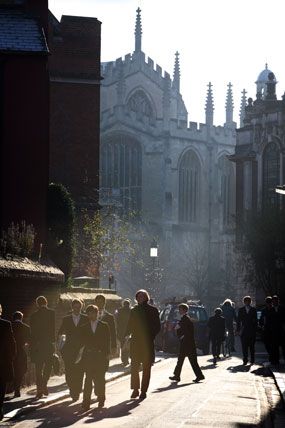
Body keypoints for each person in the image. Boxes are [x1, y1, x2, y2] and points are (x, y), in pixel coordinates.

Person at [125, 289, 160, 400]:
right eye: (138, 297)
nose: (140, 298)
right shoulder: (134, 310)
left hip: (147, 343)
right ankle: (135, 389)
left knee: (146, 368)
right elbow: (129, 325)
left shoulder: (153, 310)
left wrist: (150, 336)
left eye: (142, 296)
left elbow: (157, 326)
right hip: (135, 342)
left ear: (146, 298)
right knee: (134, 367)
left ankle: (143, 391)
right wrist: (125, 336)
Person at [80, 305, 110, 410]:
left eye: (93, 312)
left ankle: (101, 399)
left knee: (100, 379)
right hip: (88, 356)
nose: (91, 315)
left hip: (100, 356)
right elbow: (82, 343)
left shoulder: (104, 326)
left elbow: (107, 342)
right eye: (89, 313)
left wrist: (106, 357)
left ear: (97, 313)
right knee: (88, 379)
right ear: (87, 314)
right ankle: (86, 402)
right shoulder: (84, 327)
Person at [58, 299, 88, 401]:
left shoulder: (85, 318)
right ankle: (71, 388)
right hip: (69, 350)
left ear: (81, 307)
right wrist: (60, 344)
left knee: (80, 372)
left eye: (79, 307)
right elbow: (60, 332)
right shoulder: (66, 319)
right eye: (75, 307)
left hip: (81, 350)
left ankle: (77, 390)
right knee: (69, 371)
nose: (77, 309)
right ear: (72, 307)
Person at [169, 303, 205, 383]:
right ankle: (177, 375)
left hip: (187, 343)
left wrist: (181, 336)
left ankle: (199, 376)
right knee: (182, 359)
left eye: (180, 309)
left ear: (185, 310)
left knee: (191, 360)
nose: (179, 311)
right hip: (187, 342)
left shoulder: (185, 319)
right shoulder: (184, 318)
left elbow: (187, 331)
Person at [30, 296, 55, 398]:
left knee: (38, 368)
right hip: (48, 344)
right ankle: (44, 383)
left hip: (38, 345)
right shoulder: (51, 313)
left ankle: (39, 390)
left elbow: (32, 332)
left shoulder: (33, 316)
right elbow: (52, 329)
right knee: (49, 365)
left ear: (37, 304)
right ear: (46, 302)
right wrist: (53, 343)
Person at [0, 304, 16, 420]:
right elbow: (12, 342)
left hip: (3, 360)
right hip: (3, 361)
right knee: (1, 386)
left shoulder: (7, 324)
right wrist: (11, 357)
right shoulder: (6, 324)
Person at [12, 311, 31, 398]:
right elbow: (29, 341)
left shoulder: (9, 326)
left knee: (11, 369)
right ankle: (17, 388)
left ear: (13, 317)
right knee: (21, 369)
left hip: (10, 352)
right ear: (21, 318)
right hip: (21, 351)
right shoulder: (26, 327)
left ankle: (12, 386)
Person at [236, 296, 257, 365]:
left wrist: (255, 329)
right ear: (244, 302)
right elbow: (238, 320)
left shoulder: (253, 310)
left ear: (250, 302)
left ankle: (252, 359)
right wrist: (238, 330)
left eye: (248, 301)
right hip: (244, 330)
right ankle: (245, 359)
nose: (247, 302)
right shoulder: (241, 310)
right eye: (246, 301)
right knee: (244, 346)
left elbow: (256, 320)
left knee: (252, 346)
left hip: (251, 331)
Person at [116, 299, 131, 366]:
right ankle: (126, 359)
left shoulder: (119, 311)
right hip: (128, 331)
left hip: (121, 331)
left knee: (122, 346)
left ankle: (124, 359)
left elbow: (116, 320)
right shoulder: (131, 311)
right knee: (127, 346)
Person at [270, 295, 285, 365]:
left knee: (283, 345)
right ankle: (276, 359)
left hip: (281, 330)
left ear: (278, 301)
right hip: (274, 331)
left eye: (276, 301)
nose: (274, 302)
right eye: (273, 301)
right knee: (274, 346)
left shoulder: (282, 309)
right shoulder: (271, 309)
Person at [259, 296, 274, 364]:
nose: (269, 304)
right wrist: (261, 325)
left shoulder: (274, 309)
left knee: (273, 344)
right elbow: (261, 319)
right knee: (267, 344)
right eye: (267, 303)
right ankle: (271, 354)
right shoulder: (264, 310)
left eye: (270, 303)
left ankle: (272, 357)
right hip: (266, 329)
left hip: (273, 329)